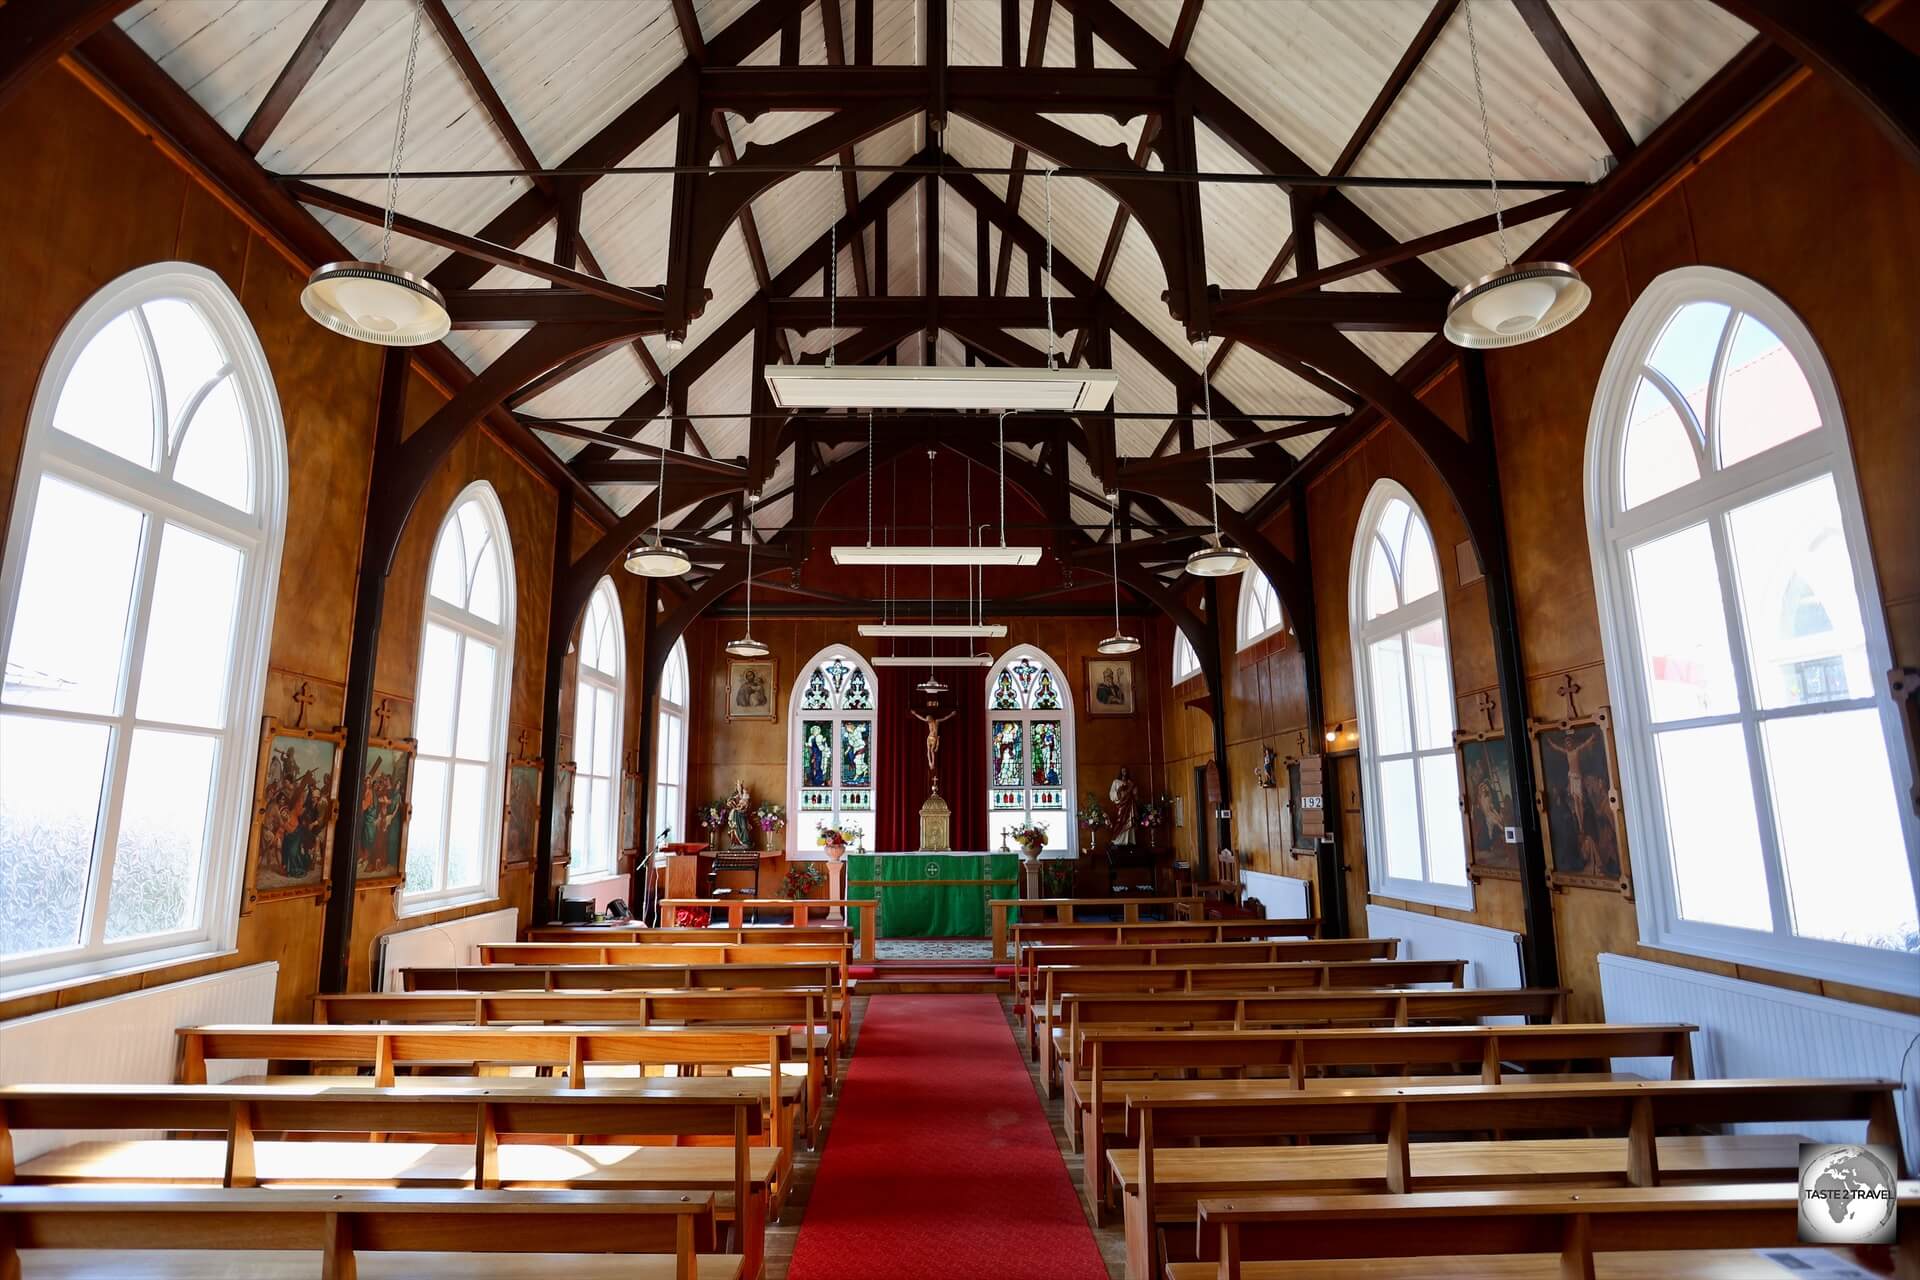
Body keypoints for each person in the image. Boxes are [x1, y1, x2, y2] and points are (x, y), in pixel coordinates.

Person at [1108, 766, 1138, 847]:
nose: (1124, 772)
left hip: (1129, 805)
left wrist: (1134, 792)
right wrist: (1119, 794)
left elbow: (1135, 794)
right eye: (1123, 771)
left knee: (1129, 821)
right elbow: (1112, 794)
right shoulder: (1116, 782)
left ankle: (1129, 840)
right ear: (1120, 772)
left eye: (1126, 771)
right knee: (1120, 821)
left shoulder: (1130, 782)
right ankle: (1118, 840)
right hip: (1121, 805)